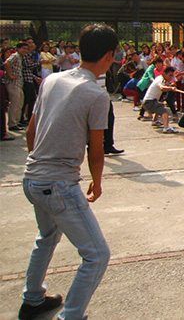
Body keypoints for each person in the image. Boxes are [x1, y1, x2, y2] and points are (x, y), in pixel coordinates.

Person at [18, 24, 118, 320]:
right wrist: (97, 182)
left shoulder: (52, 80)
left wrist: (39, 164)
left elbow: (31, 131)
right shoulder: (96, 94)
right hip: (59, 184)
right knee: (97, 255)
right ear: (110, 55)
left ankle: (33, 299)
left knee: (46, 238)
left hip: (32, 177)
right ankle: (71, 315)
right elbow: (96, 149)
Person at [140, 67, 178, 133]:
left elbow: (168, 84)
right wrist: (171, 88)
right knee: (165, 112)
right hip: (149, 102)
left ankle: (155, 121)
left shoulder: (160, 78)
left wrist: (171, 85)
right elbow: (162, 87)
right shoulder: (160, 79)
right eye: (170, 75)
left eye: (172, 75)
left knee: (160, 105)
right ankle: (166, 128)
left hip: (148, 101)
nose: (171, 77)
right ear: (164, 74)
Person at [5, 41, 28, 131]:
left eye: (26, 49)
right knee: (14, 103)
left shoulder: (20, 57)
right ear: (18, 49)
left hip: (19, 83)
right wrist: (10, 75)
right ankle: (12, 123)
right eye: (23, 49)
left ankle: (16, 122)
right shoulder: (15, 56)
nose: (25, 50)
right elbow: (7, 63)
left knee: (19, 103)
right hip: (13, 83)